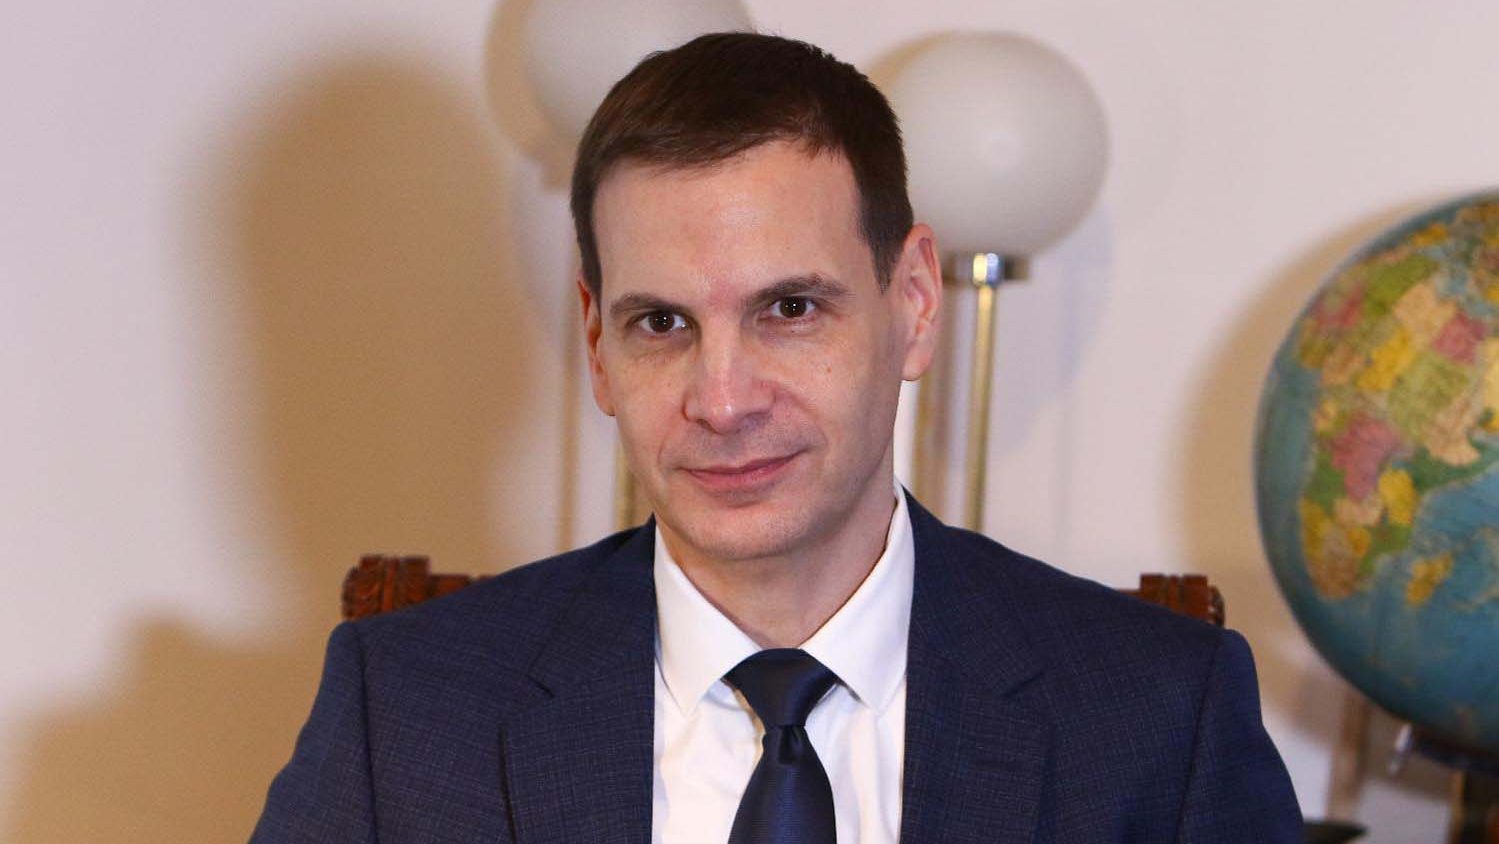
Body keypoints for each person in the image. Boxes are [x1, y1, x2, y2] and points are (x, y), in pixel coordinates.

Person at [252, 32, 1302, 843]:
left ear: (914, 302)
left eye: (788, 309)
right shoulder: (406, 716)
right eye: (661, 324)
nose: (722, 401)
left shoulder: (1159, 718)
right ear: (597, 343)